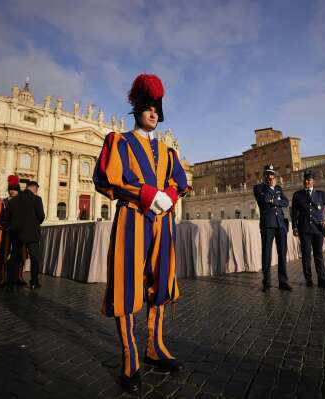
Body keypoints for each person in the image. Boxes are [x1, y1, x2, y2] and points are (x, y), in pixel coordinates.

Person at [93, 74, 191, 392]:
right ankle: (130, 357)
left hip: (163, 221)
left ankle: (155, 347)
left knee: (161, 281)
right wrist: (149, 194)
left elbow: (179, 180)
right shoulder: (117, 141)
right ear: (137, 110)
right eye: (147, 108)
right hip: (133, 217)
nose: (152, 114)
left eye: (156, 109)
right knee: (126, 285)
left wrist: (170, 197)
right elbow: (109, 177)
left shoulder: (168, 152)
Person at [291, 170, 325, 289]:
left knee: (318, 254)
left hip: (318, 229)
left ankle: (322, 279)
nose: (306, 182)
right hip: (304, 229)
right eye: (305, 180)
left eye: (309, 180)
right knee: (306, 255)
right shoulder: (297, 195)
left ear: (313, 181)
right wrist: (294, 227)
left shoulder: (321, 194)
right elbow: (294, 212)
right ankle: (308, 280)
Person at [253, 164, 292, 293]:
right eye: (268, 175)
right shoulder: (259, 188)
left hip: (280, 224)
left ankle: (283, 281)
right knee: (267, 254)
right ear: (264, 176)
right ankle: (267, 282)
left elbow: (286, 202)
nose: (270, 177)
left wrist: (273, 200)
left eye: (272, 175)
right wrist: (275, 199)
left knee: (282, 253)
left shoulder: (279, 188)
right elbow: (263, 200)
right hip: (268, 225)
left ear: (275, 177)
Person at [6, 181, 45, 291]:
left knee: (14, 258)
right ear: (34, 188)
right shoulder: (37, 199)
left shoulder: (13, 201)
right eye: (36, 190)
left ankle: (10, 283)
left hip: (17, 232)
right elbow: (41, 216)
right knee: (34, 258)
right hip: (32, 233)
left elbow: (9, 217)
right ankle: (33, 282)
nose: (36, 192)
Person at [0, 175, 20, 289]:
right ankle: (2, 279)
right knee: (2, 257)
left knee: (17, 257)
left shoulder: (21, 203)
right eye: (11, 189)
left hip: (17, 233)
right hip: (4, 232)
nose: (12, 191)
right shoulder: (2, 202)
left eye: (15, 189)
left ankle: (15, 278)